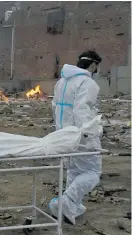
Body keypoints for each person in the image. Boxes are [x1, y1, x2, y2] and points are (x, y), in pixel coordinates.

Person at [48, 50, 103, 225]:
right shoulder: (87, 83)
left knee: (74, 171)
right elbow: (82, 110)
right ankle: (67, 201)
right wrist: (91, 134)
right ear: (94, 64)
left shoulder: (62, 82)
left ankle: (71, 206)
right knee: (93, 173)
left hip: (64, 135)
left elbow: (55, 107)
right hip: (81, 136)